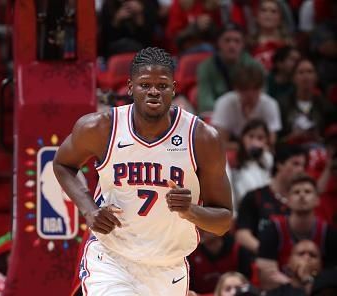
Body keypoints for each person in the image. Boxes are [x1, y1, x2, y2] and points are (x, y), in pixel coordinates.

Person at [53, 46, 233, 295]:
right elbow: (63, 164)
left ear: (174, 88)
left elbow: (223, 221)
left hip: (168, 267)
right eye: (145, 84)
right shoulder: (101, 128)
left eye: (162, 86)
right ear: (130, 87)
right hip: (112, 258)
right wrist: (88, 209)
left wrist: (190, 211)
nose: (154, 92)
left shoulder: (201, 139)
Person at [257, 174, 337, 290]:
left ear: (317, 200)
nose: (302, 195)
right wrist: (310, 284)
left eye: (307, 191)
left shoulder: (329, 233)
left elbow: (332, 282)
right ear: (288, 200)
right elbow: (267, 281)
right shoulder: (272, 230)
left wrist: (291, 282)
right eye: (296, 192)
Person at [235, 143, 307, 255]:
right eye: (295, 164)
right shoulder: (255, 196)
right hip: (260, 262)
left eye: (303, 165)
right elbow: (242, 235)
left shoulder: (303, 200)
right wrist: (268, 254)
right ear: (279, 164)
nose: (301, 170)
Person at [196, 22, 262, 114]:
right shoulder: (206, 67)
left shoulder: (255, 66)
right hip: (217, 115)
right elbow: (205, 103)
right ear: (219, 43)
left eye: (237, 41)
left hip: (248, 114)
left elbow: (261, 98)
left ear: (243, 44)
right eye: (227, 40)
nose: (232, 45)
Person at [210, 63, 281, 147]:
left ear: (261, 88)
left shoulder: (270, 104)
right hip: (234, 148)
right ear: (236, 89)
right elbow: (221, 143)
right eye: (245, 89)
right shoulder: (224, 103)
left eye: (254, 89)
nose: (250, 95)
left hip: (260, 149)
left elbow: (271, 142)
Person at [232, 118, 273, 205]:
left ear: (266, 140)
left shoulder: (268, 159)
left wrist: (261, 152)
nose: (255, 142)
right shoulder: (233, 160)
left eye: (260, 138)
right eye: (251, 136)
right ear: (243, 138)